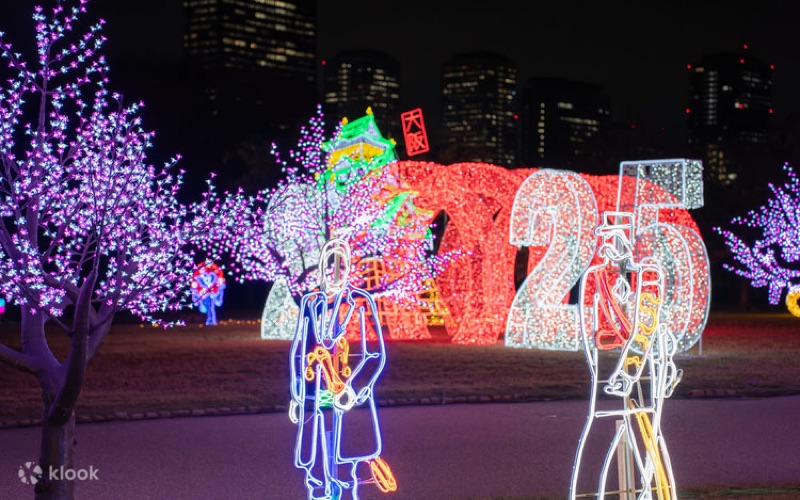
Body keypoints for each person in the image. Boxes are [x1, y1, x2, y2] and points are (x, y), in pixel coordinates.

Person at [570, 212, 680, 500]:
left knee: (651, 452)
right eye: (604, 239)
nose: (607, 245)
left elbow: (648, 326)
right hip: (606, 379)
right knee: (597, 463)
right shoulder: (594, 278)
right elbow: (588, 329)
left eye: (612, 238)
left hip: (640, 382)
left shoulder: (648, 277)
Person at [289, 239, 397, 500]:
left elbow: (375, 354)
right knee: (314, 458)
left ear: (348, 269)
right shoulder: (310, 301)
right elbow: (298, 350)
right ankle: (320, 491)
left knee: (345, 459)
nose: (334, 273)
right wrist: (295, 394)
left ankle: (342, 490)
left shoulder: (360, 301)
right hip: (314, 391)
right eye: (329, 266)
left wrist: (354, 388)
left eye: (341, 266)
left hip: (345, 390)